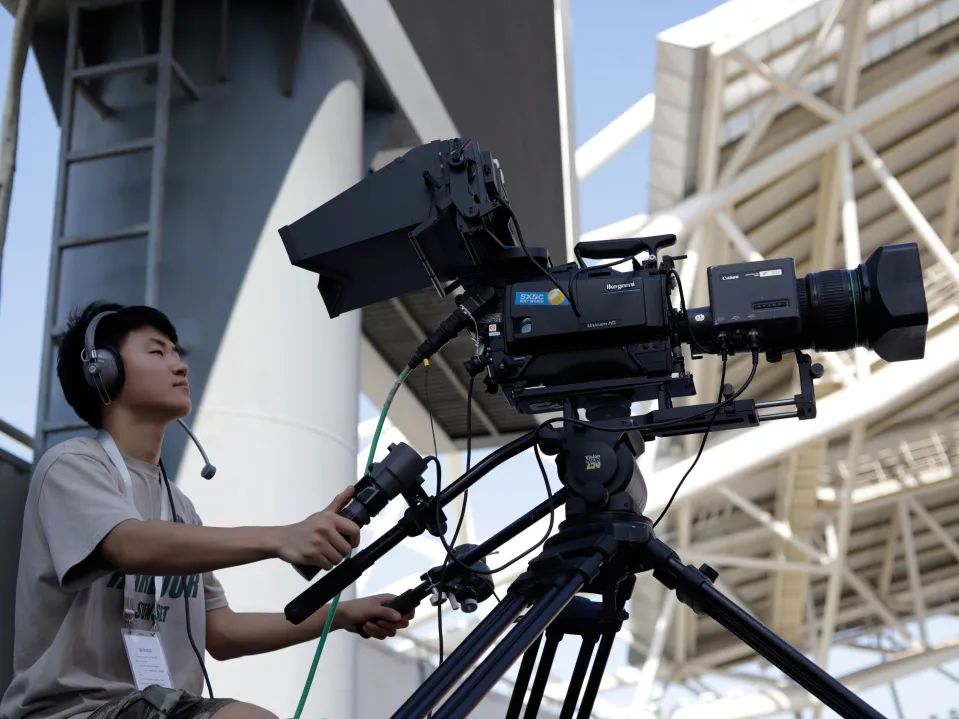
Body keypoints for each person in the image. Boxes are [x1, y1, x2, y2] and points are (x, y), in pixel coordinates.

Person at [1, 302, 411, 719]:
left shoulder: (179, 507)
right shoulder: (71, 466)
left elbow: (221, 632)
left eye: (177, 353)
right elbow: (126, 543)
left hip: (156, 707)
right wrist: (280, 537)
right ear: (102, 370)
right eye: (157, 352)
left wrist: (340, 615)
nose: (179, 366)